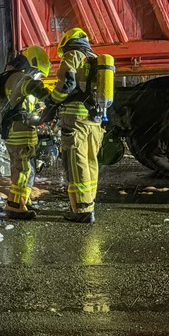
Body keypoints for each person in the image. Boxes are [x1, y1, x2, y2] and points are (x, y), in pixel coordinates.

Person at [40, 27, 104, 224]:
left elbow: (67, 84)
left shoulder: (73, 55)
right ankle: (88, 203)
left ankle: (82, 210)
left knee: (77, 162)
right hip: (95, 119)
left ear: (67, 42)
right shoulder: (96, 59)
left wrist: (52, 102)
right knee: (91, 162)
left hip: (76, 119)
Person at [0, 45, 51, 219]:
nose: (38, 77)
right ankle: (15, 207)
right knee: (23, 170)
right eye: (38, 74)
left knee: (21, 168)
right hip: (21, 132)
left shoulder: (7, 77)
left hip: (12, 131)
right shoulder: (21, 78)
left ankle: (22, 201)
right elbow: (36, 88)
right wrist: (54, 100)